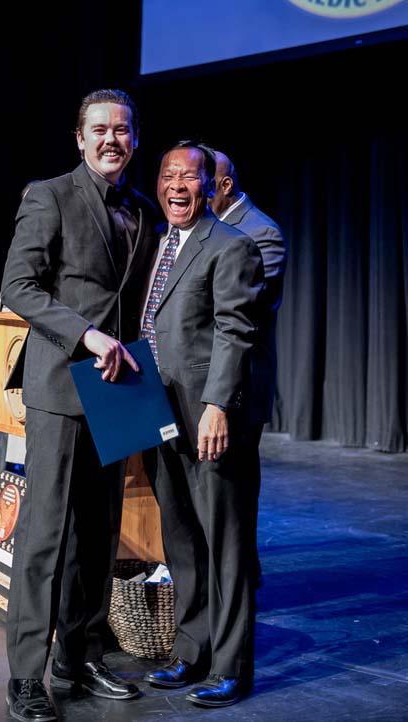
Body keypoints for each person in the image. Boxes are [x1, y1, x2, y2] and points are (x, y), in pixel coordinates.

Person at [0, 88, 158, 722]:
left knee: (99, 532)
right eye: (99, 130)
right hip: (62, 386)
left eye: (122, 130)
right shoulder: (50, 194)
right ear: (79, 137)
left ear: (135, 139)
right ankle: (25, 674)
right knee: (44, 531)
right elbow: (17, 284)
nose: (111, 139)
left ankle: (81, 655)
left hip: (121, 390)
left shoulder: (145, 210)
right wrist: (86, 333)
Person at [142, 141, 264, 708]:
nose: (176, 186)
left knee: (226, 540)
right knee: (181, 536)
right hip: (158, 408)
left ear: (212, 185)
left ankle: (231, 665)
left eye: (188, 177)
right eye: (168, 175)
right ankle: (191, 650)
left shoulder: (232, 246)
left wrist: (218, 405)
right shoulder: (158, 243)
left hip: (208, 414)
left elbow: (236, 331)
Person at [208, 149, 287, 584]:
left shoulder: (262, 232)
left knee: (236, 485)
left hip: (240, 383)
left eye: (204, 180)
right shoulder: (203, 229)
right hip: (203, 378)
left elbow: (246, 311)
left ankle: (239, 580)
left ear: (223, 184)